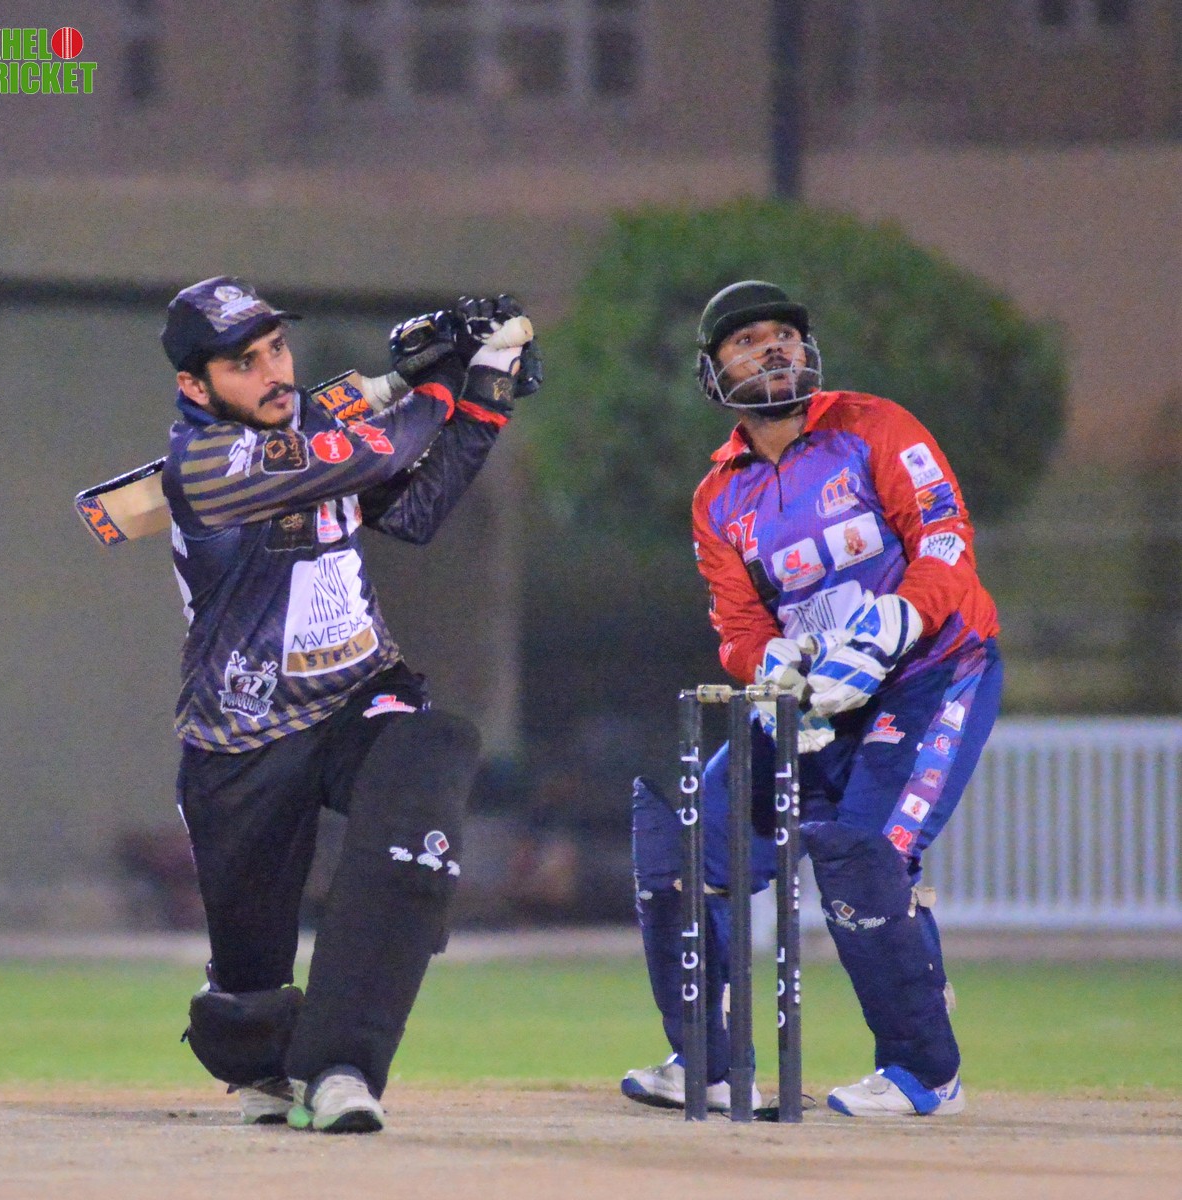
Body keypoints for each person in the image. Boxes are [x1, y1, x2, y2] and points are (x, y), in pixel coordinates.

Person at [156, 276, 536, 1133]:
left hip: (360, 693)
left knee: (430, 763)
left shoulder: (313, 428)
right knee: (247, 1013)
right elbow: (376, 454)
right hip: (242, 736)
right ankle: (263, 1047)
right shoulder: (206, 463)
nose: (272, 372)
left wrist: (486, 400)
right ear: (195, 386)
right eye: (244, 363)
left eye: (276, 350)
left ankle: (340, 1064)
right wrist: (448, 380)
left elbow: (414, 510)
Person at [622, 281, 1001, 1117]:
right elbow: (738, 625)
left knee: (863, 855)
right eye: (747, 340)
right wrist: (772, 671)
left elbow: (944, 540)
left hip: (932, 670)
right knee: (688, 850)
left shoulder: (875, 427)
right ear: (713, 371)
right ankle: (708, 1062)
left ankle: (923, 1072)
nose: (773, 348)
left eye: (785, 334)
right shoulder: (718, 497)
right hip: (816, 699)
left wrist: (895, 623)